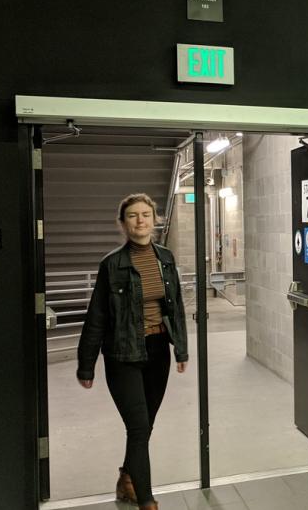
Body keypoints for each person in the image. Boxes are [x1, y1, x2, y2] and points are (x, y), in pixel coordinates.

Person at [76, 193, 189, 510]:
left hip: (158, 351)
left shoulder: (165, 258)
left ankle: (127, 480)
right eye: (132, 215)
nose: (140, 220)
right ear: (123, 223)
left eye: (145, 214)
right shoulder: (111, 264)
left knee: (145, 426)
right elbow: (97, 317)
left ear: (155, 220)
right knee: (138, 428)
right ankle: (147, 502)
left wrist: (180, 349)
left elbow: (175, 307)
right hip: (122, 355)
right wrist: (86, 366)